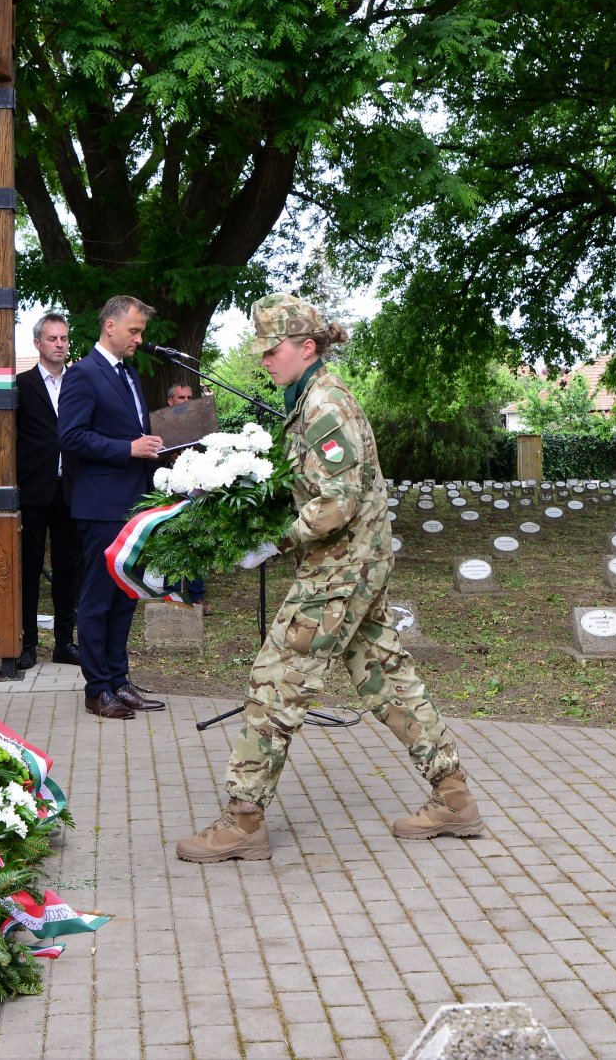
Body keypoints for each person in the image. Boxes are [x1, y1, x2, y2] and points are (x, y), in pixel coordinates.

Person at [177, 294, 482, 863]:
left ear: (306, 347)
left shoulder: (324, 405)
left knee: (276, 682)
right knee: (385, 676)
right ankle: (454, 797)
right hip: (354, 565)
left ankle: (243, 820)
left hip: (339, 570)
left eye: (273, 349)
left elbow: (337, 503)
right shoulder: (311, 400)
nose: (265, 359)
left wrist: (277, 540)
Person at [57, 295, 167, 719]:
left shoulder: (129, 374)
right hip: (100, 505)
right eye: (134, 330)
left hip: (133, 502)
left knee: (126, 596)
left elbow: (132, 434)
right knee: (99, 598)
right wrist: (129, 448)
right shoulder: (83, 374)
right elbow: (71, 437)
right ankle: (96, 688)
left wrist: (154, 449)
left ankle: (119, 680)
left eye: (141, 331)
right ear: (110, 326)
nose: (139, 339)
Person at [15, 313, 83, 669]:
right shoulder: (21, 384)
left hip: (70, 488)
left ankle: (64, 642)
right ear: (37, 343)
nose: (60, 344)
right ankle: (28, 643)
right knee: (28, 567)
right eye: (53, 338)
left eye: (64, 338)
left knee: (68, 568)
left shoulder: (79, 383)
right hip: (33, 489)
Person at [163, 381, 208, 609]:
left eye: (190, 398)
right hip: (169, 489)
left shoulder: (201, 425)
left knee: (195, 541)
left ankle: (196, 594)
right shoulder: (159, 425)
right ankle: (171, 594)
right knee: (171, 540)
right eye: (182, 398)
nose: (187, 402)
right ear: (171, 401)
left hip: (195, 489)